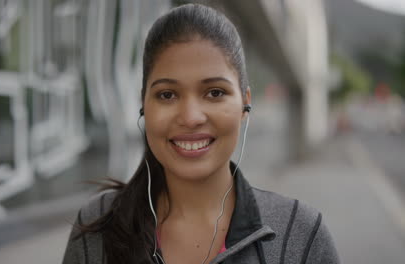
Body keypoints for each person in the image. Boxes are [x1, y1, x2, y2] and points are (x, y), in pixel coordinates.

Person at [63, 4, 339, 264]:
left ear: (245, 104)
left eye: (215, 93)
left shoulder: (302, 235)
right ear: (143, 105)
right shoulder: (98, 225)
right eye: (167, 94)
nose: (191, 117)